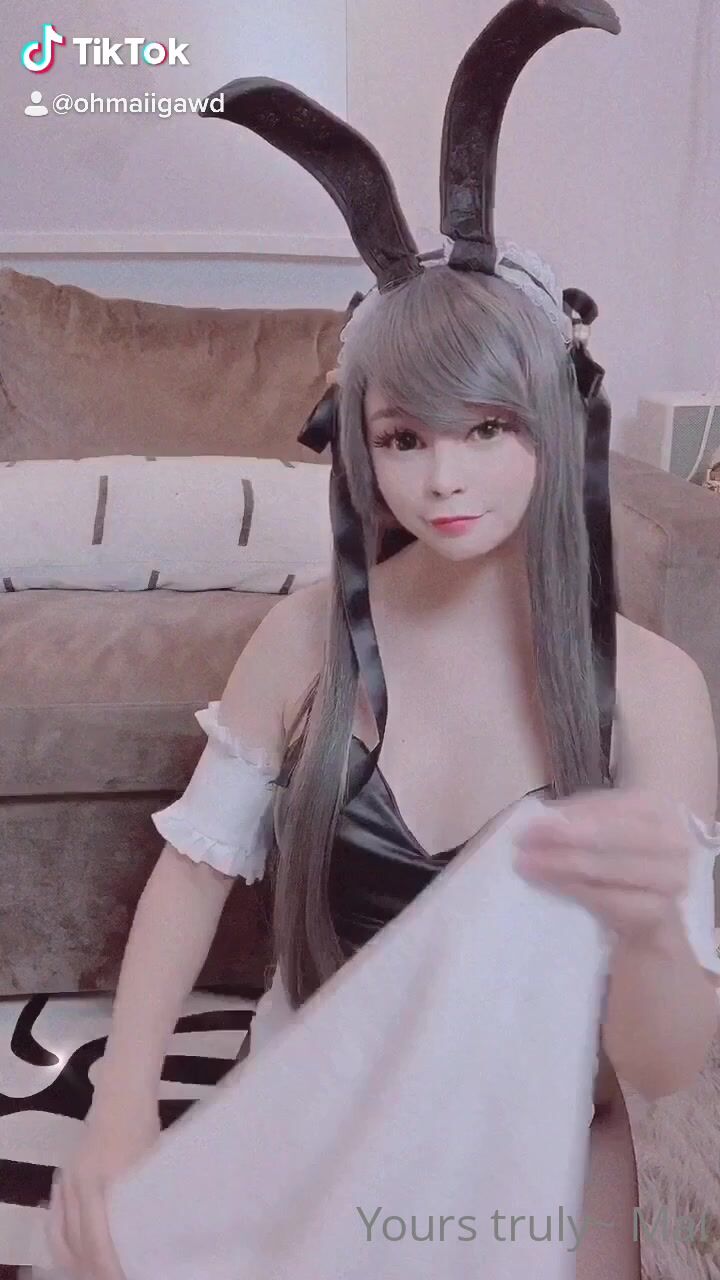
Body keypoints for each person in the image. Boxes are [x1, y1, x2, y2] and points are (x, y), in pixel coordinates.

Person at [42, 2, 720, 1278]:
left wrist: (651, 929)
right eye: (405, 437)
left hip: (531, 1130)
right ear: (359, 443)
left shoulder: (655, 690)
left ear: (554, 420)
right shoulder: (308, 633)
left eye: (488, 428)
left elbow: (664, 1058)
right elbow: (192, 873)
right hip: (325, 1090)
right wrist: (123, 1101)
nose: (443, 479)